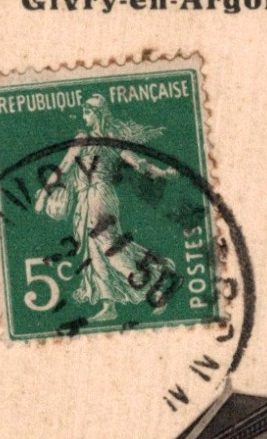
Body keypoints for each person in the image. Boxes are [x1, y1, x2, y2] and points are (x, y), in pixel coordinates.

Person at [31, 94, 179, 321]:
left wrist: (162, 173)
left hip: (99, 195)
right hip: (87, 199)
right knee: (95, 252)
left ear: (99, 113)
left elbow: (136, 162)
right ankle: (109, 305)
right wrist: (46, 194)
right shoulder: (83, 138)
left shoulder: (110, 138)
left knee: (109, 246)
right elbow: (64, 166)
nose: (85, 115)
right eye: (83, 111)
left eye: (89, 111)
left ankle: (155, 285)